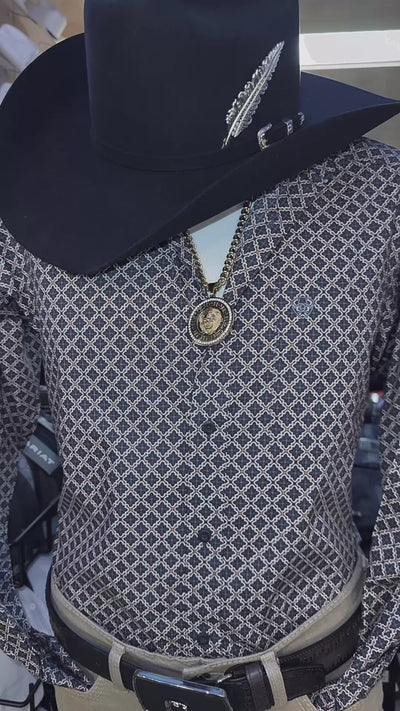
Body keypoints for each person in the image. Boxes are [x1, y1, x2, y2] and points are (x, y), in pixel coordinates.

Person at [0, 1, 400, 710]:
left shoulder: (379, 202)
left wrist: (381, 639)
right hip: (97, 671)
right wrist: (11, 628)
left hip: (317, 669)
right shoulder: (31, 209)